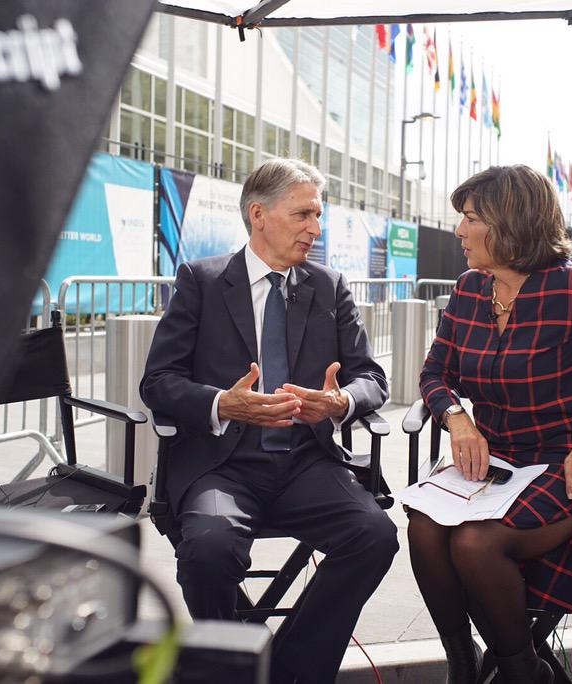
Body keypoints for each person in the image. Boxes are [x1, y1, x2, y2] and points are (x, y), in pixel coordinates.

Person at [140, 158, 398, 684]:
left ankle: (286, 671)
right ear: (258, 214)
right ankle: (230, 670)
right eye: (303, 214)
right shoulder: (202, 280)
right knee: (208, 550)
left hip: (307, 464)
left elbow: (371, 378)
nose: (315, 228)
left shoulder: (329, 286)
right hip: (222, 466)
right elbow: (158, 382)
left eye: (318, 215)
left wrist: (339, 402)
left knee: (375, 535)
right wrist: (222, 403)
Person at [413, 166, 572, 684]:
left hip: (564, 461)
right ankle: (463, 666)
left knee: (474, 544)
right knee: (424, 529)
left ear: (509, 223)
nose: (459, 230)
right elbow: (434, 374)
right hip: (495, 458)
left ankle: (522, 671)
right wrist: (457, 419)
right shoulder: (470, 289)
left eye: (471, 218)